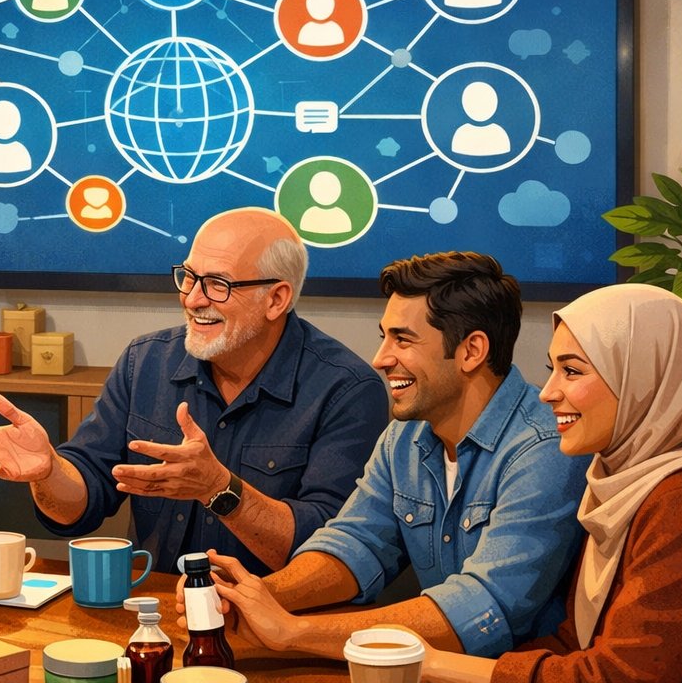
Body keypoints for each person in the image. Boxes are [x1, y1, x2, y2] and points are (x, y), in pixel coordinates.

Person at [279, 285, 682, 683]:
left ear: (643, 378)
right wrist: (265, 600)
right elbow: (576, 643)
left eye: (573, 371)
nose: (551, 391)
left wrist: (425, 663)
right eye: (551, 369)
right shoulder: (625, 480)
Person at [191, 252, 590, 658]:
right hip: (428, 679)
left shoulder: (544, 447)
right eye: (385, 337)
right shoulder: (405, 434)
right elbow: (355, 543)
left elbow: (484, 606)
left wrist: (296, 632)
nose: (381, 358)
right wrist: (250, 596)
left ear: (472, 350)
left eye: (402, 339)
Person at [0, 206, 387, 575]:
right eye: (188, 277)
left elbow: (329, 558)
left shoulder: (347, 389)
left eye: (219, 285)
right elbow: (80, 507)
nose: (193, 299)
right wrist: (49, 474)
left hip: (275, 626)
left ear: (276, 299)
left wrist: (219, 489)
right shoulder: (146, 362)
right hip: (155, 611)